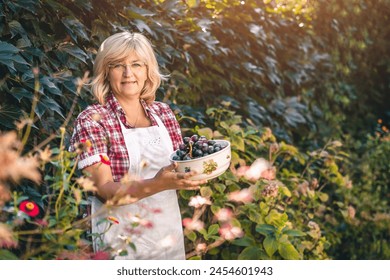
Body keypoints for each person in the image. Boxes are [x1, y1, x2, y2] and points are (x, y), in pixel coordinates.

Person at [69, 31, 206, 260]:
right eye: (117, 65)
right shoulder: (92, 119)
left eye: (136, 64)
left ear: (147, 70)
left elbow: (179, 166)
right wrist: (158, 183)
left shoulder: (164, 113)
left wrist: (200, 170)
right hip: (118, 238)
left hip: (166, 236)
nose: (128, 73)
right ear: (105, 71)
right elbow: (104, 190)